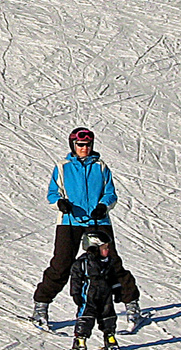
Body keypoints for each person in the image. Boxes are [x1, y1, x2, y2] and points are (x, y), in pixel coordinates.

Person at [30, 127, 142, 332]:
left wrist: (103, 206)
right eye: (80, 145)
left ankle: (132, 304)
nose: (85, 148)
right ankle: (41, 306)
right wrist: (60, 204)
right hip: (70, 222)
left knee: (112, 263)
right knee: (62, 264)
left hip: (98, 221)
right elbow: (52, 193)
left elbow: (110, 193)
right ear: (73, 145)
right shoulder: (63, 167)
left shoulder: (100, 167)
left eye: (88, 145)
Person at [67, 233, 130, 350]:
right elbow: (75, 279)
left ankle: (110, 339)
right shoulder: (83, 263)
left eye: (107, 248)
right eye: (104, 248)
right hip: (89, 294)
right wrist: (76, 293)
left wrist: (117, 290)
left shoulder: (108, 262)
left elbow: (113, 277)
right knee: (86, 317)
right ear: (94, 248)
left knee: (109, 315)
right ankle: (80, 342)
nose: (107, 251)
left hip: (105, 294)